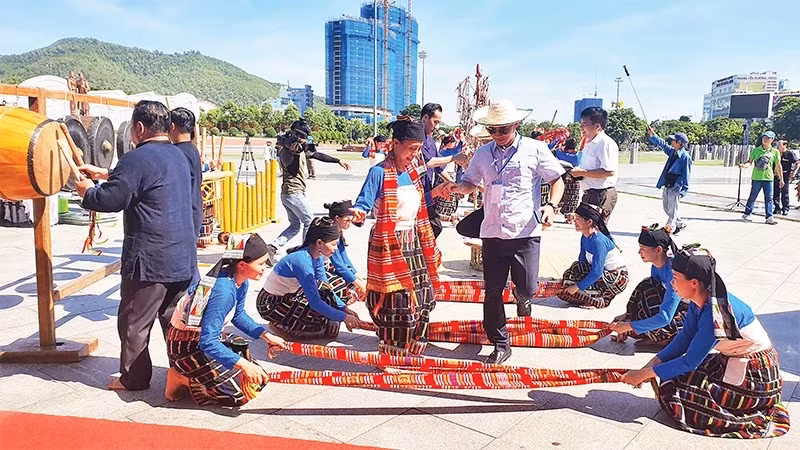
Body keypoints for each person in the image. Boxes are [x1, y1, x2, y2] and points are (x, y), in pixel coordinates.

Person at [75, 100, 196, 391]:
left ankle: (134, 379)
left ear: (138, 128)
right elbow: (145, 180)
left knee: (134, 323)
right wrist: (107, 175)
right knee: (174, 321)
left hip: (150, 260)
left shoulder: (136, 158)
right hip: (182, 256)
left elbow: (112, 200)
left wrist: (86, 192)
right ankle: (184, 372)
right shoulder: (178, 155)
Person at [622, 246, 790, 438]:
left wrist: (646, 373)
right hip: (728, 360)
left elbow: (689, 361)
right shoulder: (700, 298)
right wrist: (653, 364)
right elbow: (684, 338)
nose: (671, 282)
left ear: (694, 282)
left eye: (675, 277)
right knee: (672, 379)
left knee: (684, 397)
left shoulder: (716, 312)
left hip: (755, 373)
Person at [445, 99, 566, 364]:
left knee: (527, 287)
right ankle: (500, 342)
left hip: (525, 231)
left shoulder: (536, 149)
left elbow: (557, 180)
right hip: (492, 232)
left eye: (503, 129)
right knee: (493, 290)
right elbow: (470, 182)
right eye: (493, 130)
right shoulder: (483, 154)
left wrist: (551, 206)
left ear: (516, 125)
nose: (498, 135)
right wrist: (458, 189)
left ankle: (523, 297)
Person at [350, 117, 447, 356]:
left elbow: (420, 202)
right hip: (388, 242)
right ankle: (392, 349)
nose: (415, 154)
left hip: (414, 239)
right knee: (397, 301)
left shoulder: (414, 172)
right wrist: (359, 212)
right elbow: (364, 202)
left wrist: (438, 191)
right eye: (411, 149)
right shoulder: (379, 172)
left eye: (418, 149)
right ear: (395, 144)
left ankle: (415, 342)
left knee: (423, 295)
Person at [165, 233, 287, 406]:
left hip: (202, 338)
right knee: (238, 395)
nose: (264, 268)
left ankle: (197, 374)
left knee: (257, 380)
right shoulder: (223, 291)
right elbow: (207, 342)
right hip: (186, 345)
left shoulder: (240, 280)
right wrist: (245, 366)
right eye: (260, 264)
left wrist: (266, 336)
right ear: (243, 265)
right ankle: (180, 376)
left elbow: (238, 316)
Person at [257, 217, 360, 339]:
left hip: (292, 294)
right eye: (333, 244)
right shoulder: (302, 261)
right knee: (317, 312)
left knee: (336, 287)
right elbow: (315, 302)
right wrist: (343, 317)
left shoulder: (318, 256)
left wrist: (343, 308)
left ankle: (324, 322)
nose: (336, 248)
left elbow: (325, 284)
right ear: (319, 243)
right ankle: (281, 325)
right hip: (271, 303)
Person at [272, 119, 351, 249]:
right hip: (293, 193)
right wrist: (295, 154)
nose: (305, 141)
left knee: (295, 226)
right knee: (309, 220)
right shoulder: (286, 151)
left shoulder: (299, 148)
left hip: (291, 194)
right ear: (296, 136)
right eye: (303, 137)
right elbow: (293, 171)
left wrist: (337, 160)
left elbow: (316, 154)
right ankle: (306, 250)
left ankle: (273, 246)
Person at [609, 225, 687, 344]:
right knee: (646, 287)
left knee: (657, 323)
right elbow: (653, 292)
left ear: (658, 250)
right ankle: (646, 332)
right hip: (676, 307)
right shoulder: (656, 266)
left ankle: (668, 340)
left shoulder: (674, 275)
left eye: (643, 248)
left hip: (690, 314)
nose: (639, 252)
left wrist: (628, 326)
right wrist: (628, 316)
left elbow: (665, 317)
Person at [558, 202, 628, 309]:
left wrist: (577, 286)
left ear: (589, 222)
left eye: (578, 219)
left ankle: (601, 299)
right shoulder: (584, 237)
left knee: (572, 288)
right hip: (601, 275)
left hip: (615, 278)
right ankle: (590, 294)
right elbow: (582, 262)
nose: (574, 221)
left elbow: (597, 272)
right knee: (572, 273)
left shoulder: (598, 241)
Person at [419, 103, 468, 237]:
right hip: (417, 189)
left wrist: (456, 186)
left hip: (427, 189)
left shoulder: (429, 140)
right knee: (432, 226)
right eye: (435, 122)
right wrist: (454, 158)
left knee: (434, 226)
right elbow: (428, 162)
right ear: (424, 118)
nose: (437, 126)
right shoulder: (417, 137)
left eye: (439, 122)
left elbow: (439, 167)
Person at [569, 107, 619, 221]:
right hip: (590, 192)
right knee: (586, 229)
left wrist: (581, 172)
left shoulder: (605, 144)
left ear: (597, 126)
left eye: (584, 124)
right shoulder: (589, 142)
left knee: (596, 230)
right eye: (581, 124)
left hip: (601, 193)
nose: (581, 128)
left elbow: (609, 171)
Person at [647, 128, 692, 234]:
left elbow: (686, 174)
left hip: (676, 185)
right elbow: (663, 144)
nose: (671, 142)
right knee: (667, 208)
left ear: (679, 143)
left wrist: (684, 190)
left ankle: (668, 230)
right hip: (667, 183)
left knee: (673, 210)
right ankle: (680, 224)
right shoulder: (672, 152)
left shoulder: (685, 157)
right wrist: (653, 135)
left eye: (673, 140)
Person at [323, 200, 367, 305]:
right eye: (347, 219)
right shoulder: (330, 233)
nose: (349, 222)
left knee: (352, 278)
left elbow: (344, 258)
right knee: (342, 286)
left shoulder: (339, 232)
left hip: (331, 266)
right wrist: (361, 286)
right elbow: (339, 265)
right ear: (337, 218)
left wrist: (358, 278)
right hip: (319, 267)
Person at [169, 107, 203, 238]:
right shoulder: (192, 149)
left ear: (172, 126)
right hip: (194, 209)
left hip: (184, 215)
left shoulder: (177, 153)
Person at [741, 130, 782, 225]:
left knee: (769, 198)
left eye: (767, 138)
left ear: (772, 140)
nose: (765, 139)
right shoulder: (756, 150)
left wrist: (781, 178)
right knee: (752, 196)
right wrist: (744, 165)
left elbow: (778, 165)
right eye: (764, 137)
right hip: (757, 178)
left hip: (768, 178)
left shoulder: (775, 152)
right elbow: (749, 162)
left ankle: (769, 217)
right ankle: (747, 214)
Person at [774, 139, 797, 215]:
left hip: (785, 175)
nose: (777, 146)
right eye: (777, 144)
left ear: (785, 145)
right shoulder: (775, 153)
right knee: (775, 192)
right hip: (775, 175)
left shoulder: (789, 153)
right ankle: (777, 208)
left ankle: (785, 208)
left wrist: (794, 172)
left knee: (785, 192)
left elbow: (797, 162)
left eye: (779, 145)